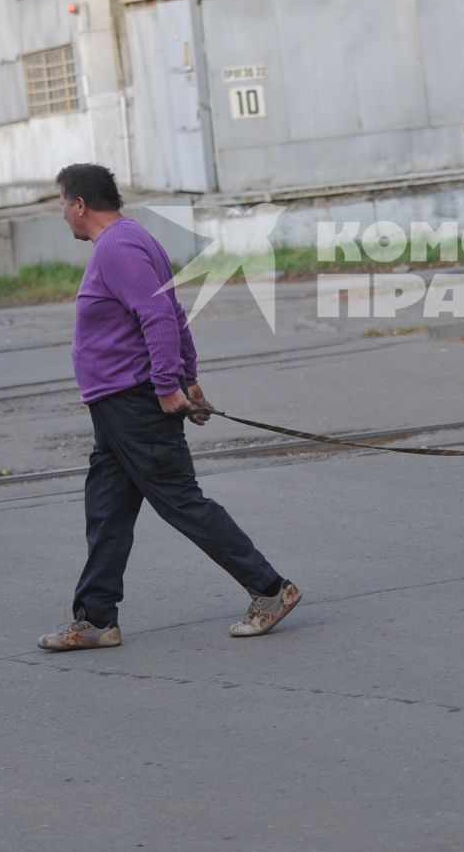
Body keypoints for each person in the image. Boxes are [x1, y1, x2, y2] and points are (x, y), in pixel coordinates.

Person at [39, 163, 300, 651]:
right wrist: (188, 379)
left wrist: (168, 387)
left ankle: (270, 590)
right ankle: (95, 618)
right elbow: (172, 312)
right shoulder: (130, 239)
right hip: (117, 407)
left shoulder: (118, 247)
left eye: (61, 204)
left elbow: (159, 315)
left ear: (78, 205)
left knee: (181, 502)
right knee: (108, 509)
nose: (62, 214)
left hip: (134, 401)